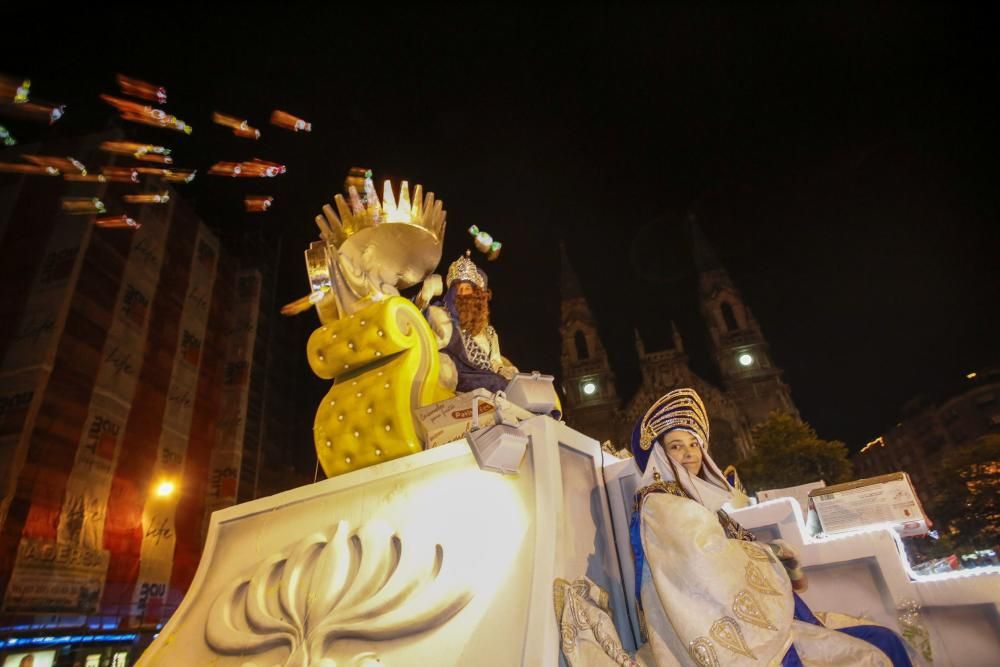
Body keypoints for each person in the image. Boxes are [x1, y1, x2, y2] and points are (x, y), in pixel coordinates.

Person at [628, 388, 914, 666]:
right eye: (676, 446)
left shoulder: (688, 499)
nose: (690, 454)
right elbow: (704, 561)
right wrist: (771, 553)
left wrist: (770, 554)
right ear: (661, 456)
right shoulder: (663, 503)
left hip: (744, 620)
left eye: (694, 445)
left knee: (882, 640)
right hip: (715, 631)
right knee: (875, 652)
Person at [425, 251, 518, 393]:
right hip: (456, 376)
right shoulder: (438, 314)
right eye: (459, 289)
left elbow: (495, 363)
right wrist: (423, 298)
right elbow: (422, 340)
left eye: (467, 289)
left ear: (476, 294)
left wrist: (507, 372)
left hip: (487, 378)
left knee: (517, 386)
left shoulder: (489, 333)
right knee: (496, 383)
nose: (462, 294)